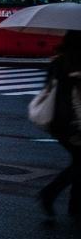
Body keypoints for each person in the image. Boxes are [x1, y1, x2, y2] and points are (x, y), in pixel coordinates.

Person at [40, 31, 81, 217]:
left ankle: (73, 204)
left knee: (78, 161)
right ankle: (50, 193)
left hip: (57, 120)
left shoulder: (58, 61)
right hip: (73, 122)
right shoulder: (75, 63)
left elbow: (48, 87)